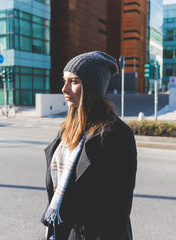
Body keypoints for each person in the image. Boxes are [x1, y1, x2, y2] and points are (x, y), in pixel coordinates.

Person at [42, 51, 137, 240]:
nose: (64, 88)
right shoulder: (68, 129)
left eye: (74, 81)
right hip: (62, 229)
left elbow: (120, 205)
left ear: (92, 87)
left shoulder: (116, 134)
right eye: (64, 80)